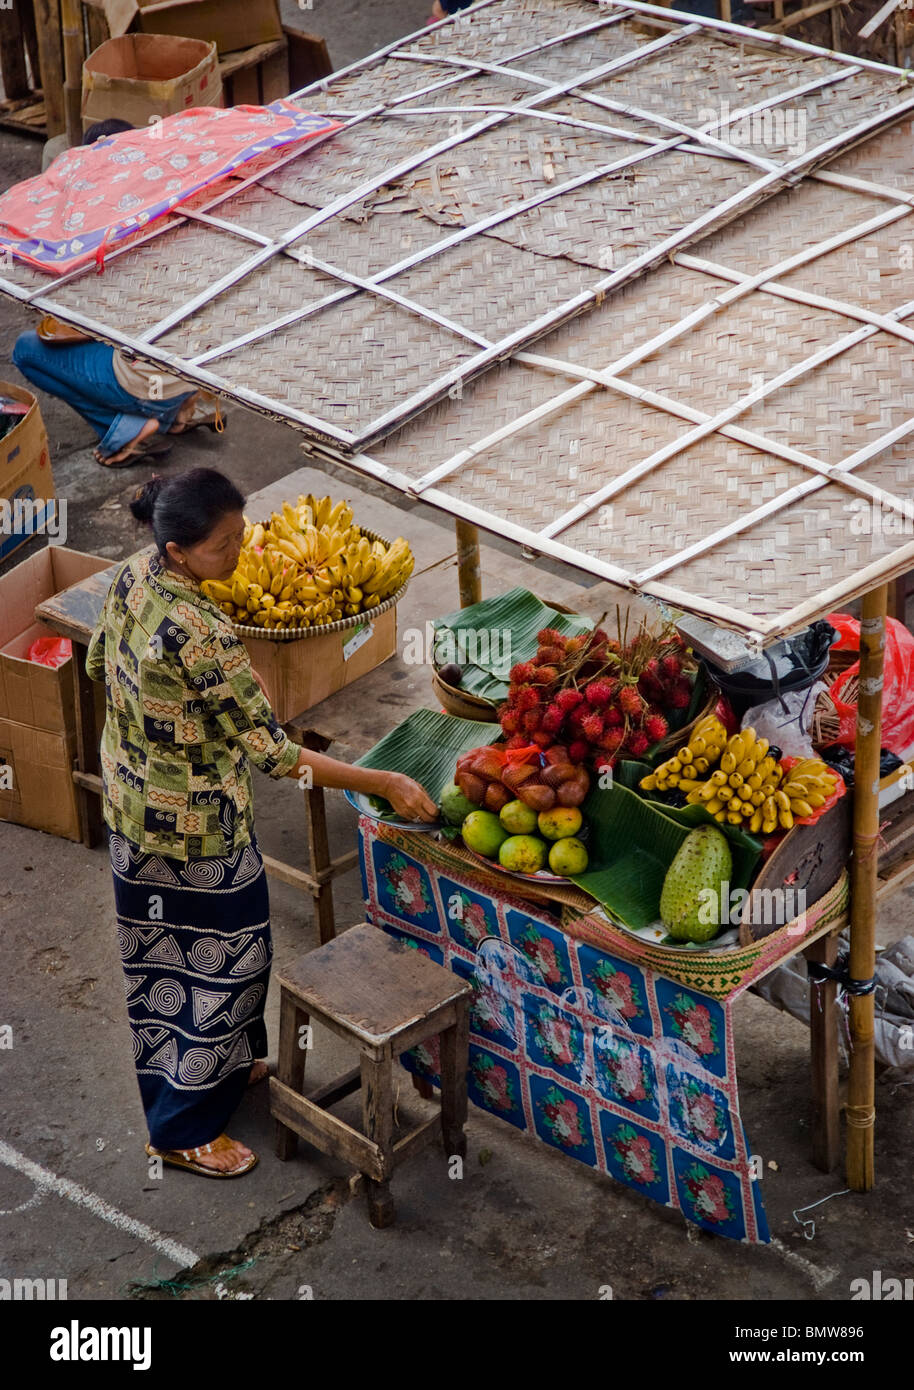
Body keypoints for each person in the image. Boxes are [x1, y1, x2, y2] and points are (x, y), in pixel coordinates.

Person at [86, 468, 437, 1177]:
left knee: (161, 961)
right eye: (223, 546)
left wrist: (165, 725)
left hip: (131, 808)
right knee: (227, 968)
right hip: (195, 833)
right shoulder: (205, 630)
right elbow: (275, 754)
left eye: (242, 534)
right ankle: (180, 1129)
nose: (240, 554)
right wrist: (385, 781)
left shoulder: (131, 578)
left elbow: (99, 663)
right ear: (180, 550)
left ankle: (222, 1070)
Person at [12, 326, 220, 468]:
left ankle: (122, 428)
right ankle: (176, 413)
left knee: (25, 350)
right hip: (194, 379)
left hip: (146, 387)